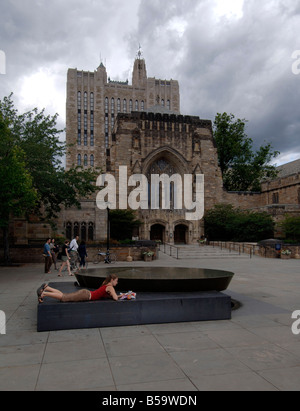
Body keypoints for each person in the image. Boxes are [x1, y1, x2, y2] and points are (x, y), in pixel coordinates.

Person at [37, 274, 121, 303]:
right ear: (112, 280)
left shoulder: (106, 285)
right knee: (63, 298)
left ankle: (47, 287)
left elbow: (109, 296)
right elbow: (115, 298)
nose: (117, 283)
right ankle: (44, 293)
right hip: (85, 295)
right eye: (116, 281)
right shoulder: (110, 287)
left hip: (85, 293)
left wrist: (122, 295)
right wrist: (122, 296)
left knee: (63, 295)